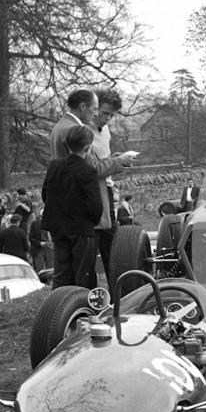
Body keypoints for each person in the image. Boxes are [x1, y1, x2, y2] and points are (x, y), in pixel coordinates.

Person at [41, 125, 103, 290]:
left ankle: (58, 307)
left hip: (57, 226)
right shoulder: (88, 171)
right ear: (87, 147)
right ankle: (83, 307)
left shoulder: (54, 165)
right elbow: (95, 205)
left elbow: (45, 194)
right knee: (84, 274)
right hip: (81, 228)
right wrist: (93, 220)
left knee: (61, 272)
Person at [88, 87, 125, 286]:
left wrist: (116, 160)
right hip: (92, 192)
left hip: (108, 190)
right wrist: (118, 163)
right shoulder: (84, 131)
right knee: (92, 247)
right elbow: (91, 168)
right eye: (104, 113)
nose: (107, 119)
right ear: (94, 108)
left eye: (111, 115)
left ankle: (119, 295)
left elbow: (103, 160)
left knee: (113, 247)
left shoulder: (105, 130)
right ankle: (92, 297)